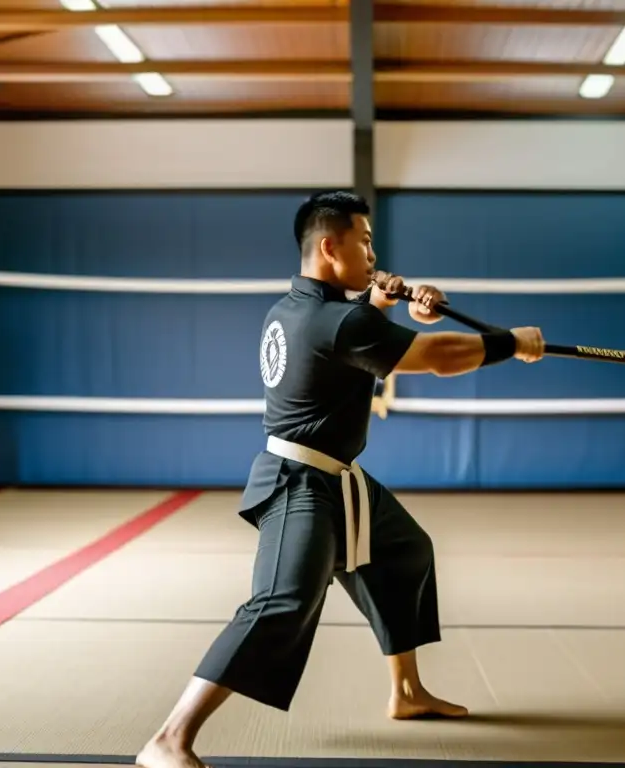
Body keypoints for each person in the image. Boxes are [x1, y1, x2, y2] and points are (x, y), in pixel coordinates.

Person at [136, 191, 545, 768]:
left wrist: (383, 301)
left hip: (337, 478)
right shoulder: (341, 321)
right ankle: (168, 738)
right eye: (366, 240)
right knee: (283, 602)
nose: (376, 252)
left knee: (403, 552)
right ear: (331, 246)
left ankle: (406, 693)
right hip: (299, 484)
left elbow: (354, 334)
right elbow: (436, 357)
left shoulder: (294, 308)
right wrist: (510, 343)